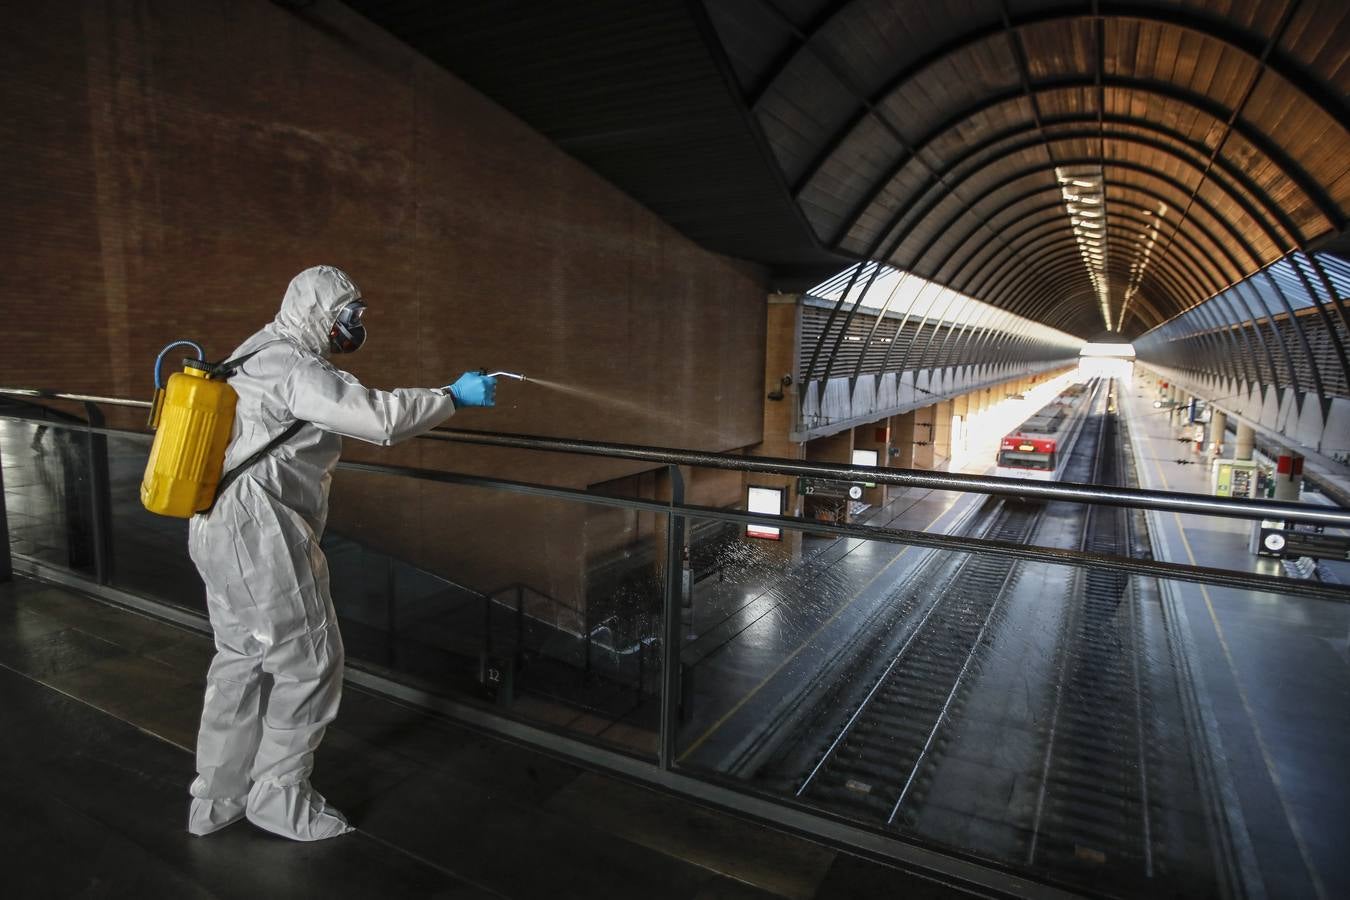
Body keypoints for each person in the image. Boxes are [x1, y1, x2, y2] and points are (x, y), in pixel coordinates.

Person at [186, 265, 496, 841]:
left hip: (215, 524)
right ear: (316, 314)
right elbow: (376, 419)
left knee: (240, 660)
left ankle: (216, 796)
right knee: (308, 663)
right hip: (260, 532)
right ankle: (278, 798)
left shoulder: (253, 351)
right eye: (347, 315)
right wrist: (451, 396)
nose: (355, 326)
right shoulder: (293, 365)